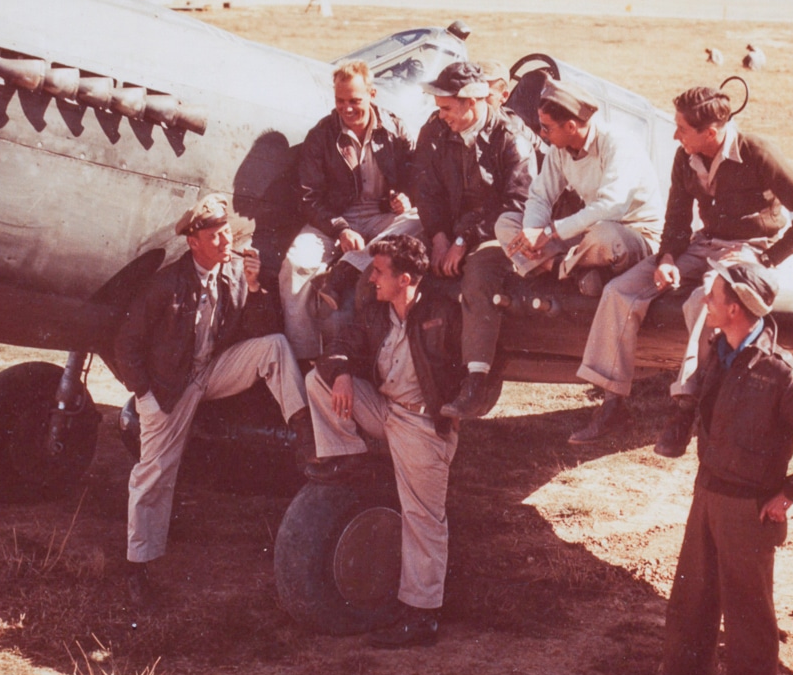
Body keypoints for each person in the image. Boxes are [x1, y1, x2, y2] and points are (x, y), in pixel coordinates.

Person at [622, 259, 793, 675]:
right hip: (707, 495)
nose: (705, 302)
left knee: (749, 626)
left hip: (749, 510)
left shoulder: (780, 373)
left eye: (714, 295)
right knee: (689, 608)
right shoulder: (718, 350)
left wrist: (788, 494)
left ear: (736, 307)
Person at [570, 83, 793, 448]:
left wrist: (767, 260)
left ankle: (685, 410)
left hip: (748, 250)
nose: (675, 135)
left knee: (704, 301)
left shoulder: (757, 152)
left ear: (711, 132)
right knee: (618, 291)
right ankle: (612, 403)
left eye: (682, 129)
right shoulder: (684, 157)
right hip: (702, 245)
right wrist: (668, 258)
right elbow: (675, 218)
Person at [114, 195, 313, 607]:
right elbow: (126, 343)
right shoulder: (166, 284)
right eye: (214, 235)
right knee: (153, 474)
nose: (225, 241)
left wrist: (256, 289)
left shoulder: (234, 274)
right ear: (193, 243)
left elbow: (259, 330)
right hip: (172, 386)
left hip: (212, 370)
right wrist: (145, 396)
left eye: (225, 232)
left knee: (273, 347)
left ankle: (307, 433)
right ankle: (138, 567)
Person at [305, 234, 467, 648]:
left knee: (423, 519)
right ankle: (347, 458)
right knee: (318, 382)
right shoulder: (377, 313)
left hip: (421, 423)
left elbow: (474, 365)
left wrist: (450, 411)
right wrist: (341, 371)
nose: (372, 278)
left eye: (379, 272)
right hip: (386, 410)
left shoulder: (443, 313)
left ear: (405, 279)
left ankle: (422, 615)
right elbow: (344, 342)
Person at [413, 61, 537, 419]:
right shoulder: (435, 130)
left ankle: (476, 381)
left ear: (471, 102)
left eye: (447, 108)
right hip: (447, 231)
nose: (441, 116)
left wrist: (464, 239)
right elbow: (426, 189)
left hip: (500, 231)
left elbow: (517, 202)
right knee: (394, 259)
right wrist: (438, 236)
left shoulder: (513, 137)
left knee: (481, 272)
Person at [279, 60, 418, 360]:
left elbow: (416, 177)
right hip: (337, 219)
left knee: (417, 223)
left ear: (372, 94)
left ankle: (346, 268)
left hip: (385, 218)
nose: (347, 108)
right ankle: (303, 357)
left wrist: (405, 197)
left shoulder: (396, 128)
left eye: (354, 100)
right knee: (295, 265)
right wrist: (341, 228)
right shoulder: (322, 135)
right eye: (340, 101)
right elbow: (308, 198)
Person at [496, 76, 663, 298]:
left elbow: (611, 207)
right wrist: (531, 231)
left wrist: (549, 232)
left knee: (605, 235)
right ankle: (568, 271)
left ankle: (556, 269)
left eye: (546, 128)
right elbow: (540, 195)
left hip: (633, 234)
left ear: (572, 126)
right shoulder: (559, 149)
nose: (541, 134)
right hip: (587, 235)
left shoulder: (618, 144)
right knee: (506, 223)